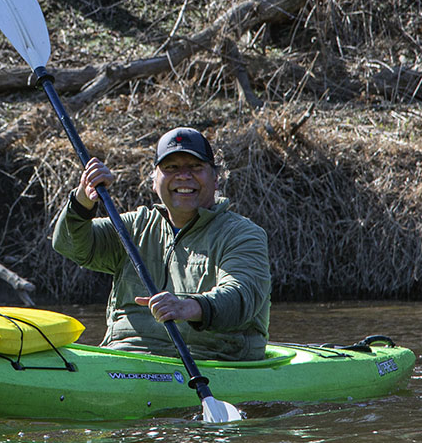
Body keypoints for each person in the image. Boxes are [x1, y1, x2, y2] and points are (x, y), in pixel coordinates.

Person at [51, 127, 271, 361]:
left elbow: (241, 296)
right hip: (125, 357)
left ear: (216, 178)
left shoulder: (243, 234)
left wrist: (188, 308)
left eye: (195, 167)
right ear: (154, 181)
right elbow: (69, 244)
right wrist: (82, 200)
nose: (184, 176)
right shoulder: (136, 226)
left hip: (210, 358)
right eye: (171, 168)